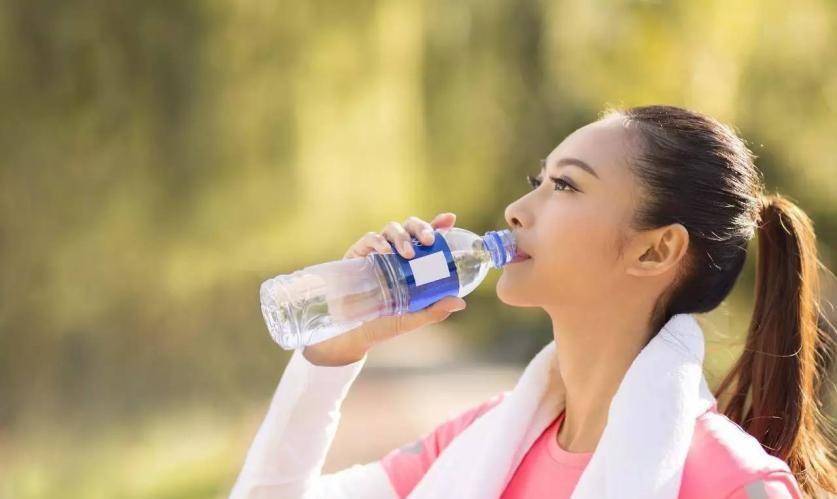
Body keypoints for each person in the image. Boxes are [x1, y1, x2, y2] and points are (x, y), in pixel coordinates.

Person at [229, 105, 836, 498]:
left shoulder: (730, 485)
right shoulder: (480, 443)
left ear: (654, 252)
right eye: (535, 183)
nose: (518, 211)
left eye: (566, 185)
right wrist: (333, 352)